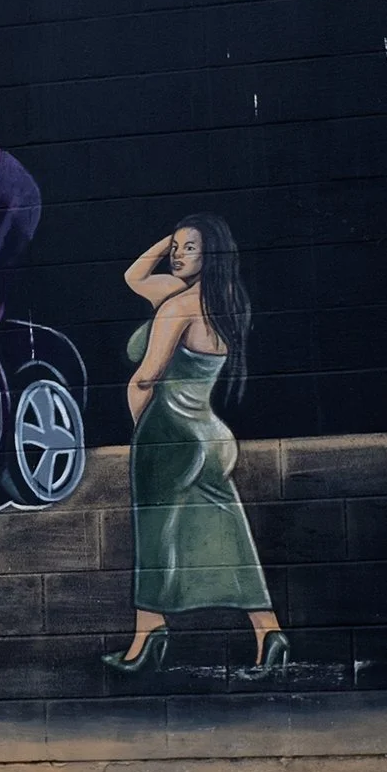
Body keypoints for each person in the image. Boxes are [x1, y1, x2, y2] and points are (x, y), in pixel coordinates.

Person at [105, 214, 284, 675]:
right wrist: (180, 237)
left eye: (190, 248)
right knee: (230, 534)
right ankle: (270, 631)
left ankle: (147, 638)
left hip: (169, 432)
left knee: (155, 537)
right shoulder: (224, 304)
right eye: (176, 247)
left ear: (212, 257)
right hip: (210, 432)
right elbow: (133, 277)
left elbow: (147, 376)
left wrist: (145, 427)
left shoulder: (177, 307)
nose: (177, 254)